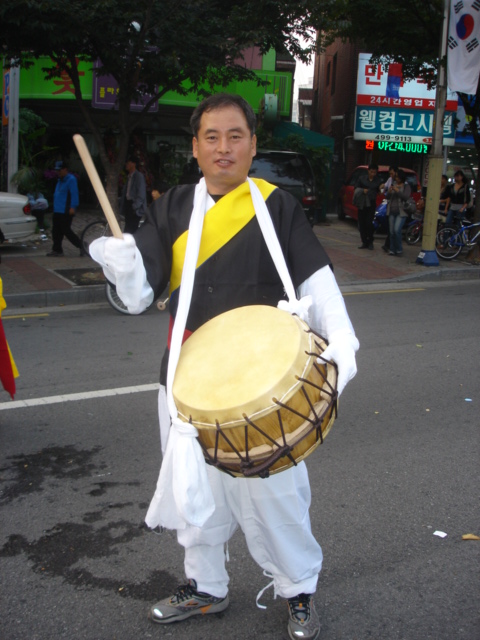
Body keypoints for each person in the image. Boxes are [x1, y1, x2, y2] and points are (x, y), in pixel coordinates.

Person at [89, 93, 359, 640]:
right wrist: (121, 267)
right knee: (196, 498)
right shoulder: (173, 208)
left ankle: (298, 590)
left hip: (264, 382)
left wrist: (343, 337)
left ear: (252, 144)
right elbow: (141, 294)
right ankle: (206, 587)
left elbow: (317, 280)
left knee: (277, 498)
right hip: (188, 380)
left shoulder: (276, 205)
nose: (224, 147)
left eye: (235, 136)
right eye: (211, 137)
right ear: (195, 147)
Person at [47, 161, 82, 257]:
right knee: (56, 231)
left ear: (65, 169)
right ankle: (57, 249)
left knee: (66, 230)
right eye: (57, 170)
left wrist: (73, 206)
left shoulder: (71, 179)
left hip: (66, 210)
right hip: (58, 209)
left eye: (60, 170)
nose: (58, 172)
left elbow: (74, 194)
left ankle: (81, 245)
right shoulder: (59, 180)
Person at [354, 163, 384, 250]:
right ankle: (364, 242)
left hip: (371, 203)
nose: (373, 174)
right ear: (368, 171)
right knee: (362, 223)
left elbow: (380, 191)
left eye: (374, 172)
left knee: (368, 222)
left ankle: (370, 241)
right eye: (371, 172)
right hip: (362, 203)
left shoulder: (378, 181)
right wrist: (363, 190)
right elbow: (356, 188)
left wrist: (382, 187)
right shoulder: (362, 179)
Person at [385, 168, 411, 256]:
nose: (396, 179)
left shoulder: (406, 186)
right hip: (391, 210)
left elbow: (406, 197)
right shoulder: (393, 184)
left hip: (401, 212)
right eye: (396, 177)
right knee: (391, 231)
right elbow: (387, 197)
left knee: (397, 230)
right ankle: (392, 249)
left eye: (398, 178)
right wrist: (389, 192)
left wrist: (398, 191)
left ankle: (399, 249)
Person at [120, 156, 147, 234]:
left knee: (131, 229)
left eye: (128, 163)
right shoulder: (129, 176)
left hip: (134, 206)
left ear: (133, 164)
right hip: (128, 205)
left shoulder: (139, 176)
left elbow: (141, 194)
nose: (126, 165)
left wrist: (134, 206)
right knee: (128, 228)